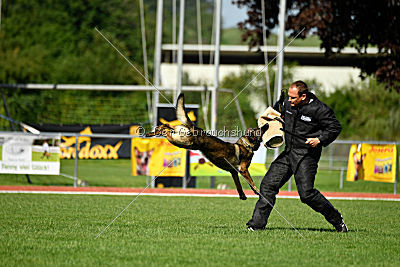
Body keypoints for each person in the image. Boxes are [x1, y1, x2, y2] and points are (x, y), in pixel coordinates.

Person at [247, 80, 348, 232]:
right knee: (268, 185)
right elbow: (277, 111)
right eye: (288, 97)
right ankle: (256, 225)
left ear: (303, 96)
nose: (289, 100)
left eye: (293, 98)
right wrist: (270, 118)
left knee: (306, 194)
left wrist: (319, 139)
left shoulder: (319, 109)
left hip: (307, 156)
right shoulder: (288, 104)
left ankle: (337, 220)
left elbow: (335, 127)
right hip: (288, 153)